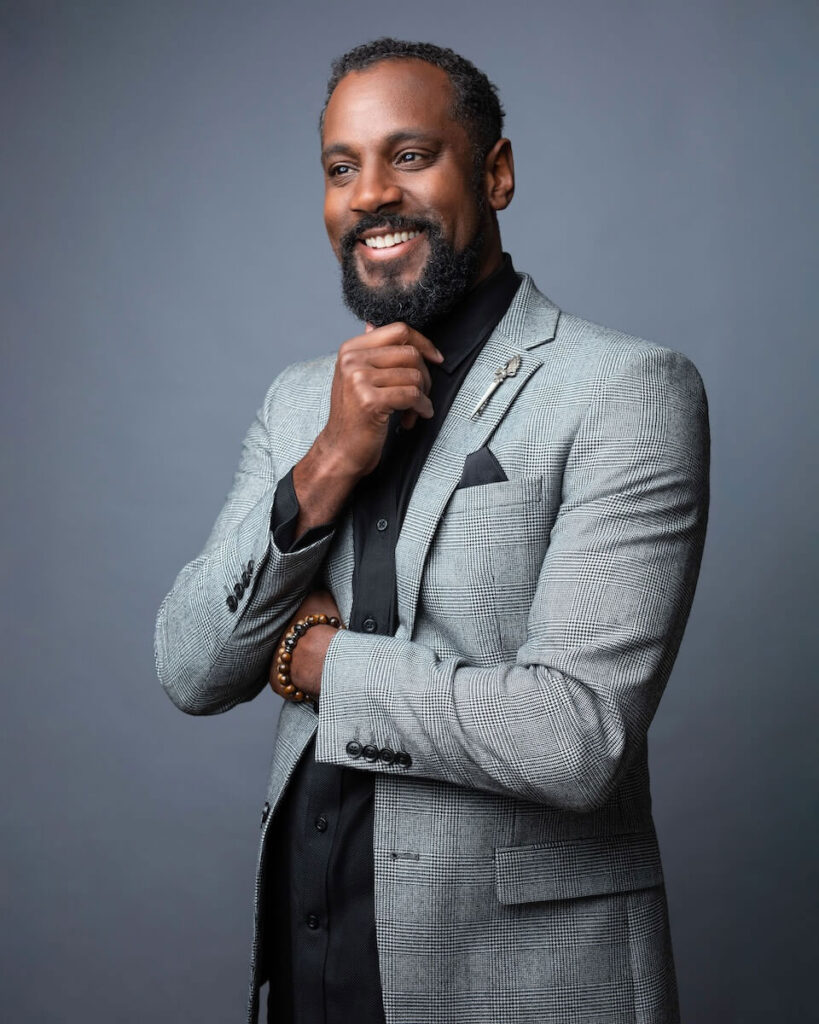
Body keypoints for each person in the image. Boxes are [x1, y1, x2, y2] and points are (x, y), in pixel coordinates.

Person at [154, 38, 709, 1024]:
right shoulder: (299, 405)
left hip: (517, 985)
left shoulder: (624, 389)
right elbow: (191, 667)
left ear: (494, 173)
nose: (370, 192)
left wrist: (317, 659)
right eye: (341, 167)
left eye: (410, 155)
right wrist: (328, 460)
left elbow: (578, 737)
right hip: (312, 965)